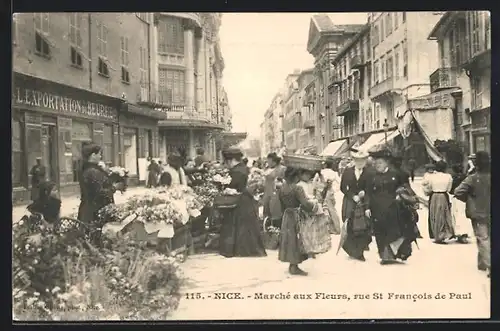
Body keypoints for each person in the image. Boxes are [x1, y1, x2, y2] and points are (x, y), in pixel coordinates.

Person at [367, 148, 419, 265]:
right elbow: (368, 193)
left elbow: (405, 188)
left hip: (393, 209)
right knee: (380, 233)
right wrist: (367, 207)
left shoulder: (395, 174)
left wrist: (402, 196)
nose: (377, 165)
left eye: (380, 163)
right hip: (377, 210)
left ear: (386, 163)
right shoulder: (372, 176)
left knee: (395, 231)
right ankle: (384, 256)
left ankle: (394, 254)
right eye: (376, 163)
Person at [218, 147, 267, 258]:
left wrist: (227, 188)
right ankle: (250, 249)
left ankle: (238, 250)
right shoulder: (245, 169)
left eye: (226, 162)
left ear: (230, 160)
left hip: (238, 201)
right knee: (248, 226)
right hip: (247, 200)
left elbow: (234, 187)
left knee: (235, 225)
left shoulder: (235, 171)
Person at [278, 167, 321, 276]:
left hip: (287, 215)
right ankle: (294, 266)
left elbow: (281, 204)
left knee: (289, 240)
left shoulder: (282, 188)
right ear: (295, 177)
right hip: (297, 215)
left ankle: (292, 264)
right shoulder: (297, 189)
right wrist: (314, 204)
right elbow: (305, 204)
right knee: (297, 240)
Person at [454, 151, 490, 278]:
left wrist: (470, 198)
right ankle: (482, 263)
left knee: (483, 238)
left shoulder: (472, 178)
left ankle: (489, 264)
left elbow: (457, 192)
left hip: (479, 212)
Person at [77, 142, 123, 244]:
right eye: (99, 154)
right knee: (98, 240)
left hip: (89, 209)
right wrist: (114, 188)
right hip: (96, 211)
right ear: (93, 155)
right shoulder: (93, 171)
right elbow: (99, 193)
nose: (100, 156)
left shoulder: (89, 169)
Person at [340, 149, 374, 261]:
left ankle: (360, 251)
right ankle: (352, 249)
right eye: (358, 160)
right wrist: (352, 195)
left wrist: (365, 198)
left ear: (365, 161)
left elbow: (370, 189)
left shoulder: (369, 172)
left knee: (364, 226)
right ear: (354, 160)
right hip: (350, 201)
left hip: (364, 202)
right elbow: (343, 187)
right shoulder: (347, 171)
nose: (360, 163)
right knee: (349, 224)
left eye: (362, 161)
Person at [424, 160, 455, 244]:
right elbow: (449, 189)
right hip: (444, 196)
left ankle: (437, 235)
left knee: (435, 215)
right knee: (444, 215)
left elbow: (428, 187)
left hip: (434, 196)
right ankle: (444, 234)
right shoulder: (448, 176)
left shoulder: (432, 176)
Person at [317, 157, 341, 235]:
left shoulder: (321, 172)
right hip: (330, 192)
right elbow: (339, 183)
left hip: (321, 192)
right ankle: (336, 228)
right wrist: (334, 190)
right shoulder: (334, 173)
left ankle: (326, 228)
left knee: (323, 210)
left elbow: (317, 182)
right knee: (332, 210)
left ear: (325, 164)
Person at [262, 152, 286, 227]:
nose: (268, 163)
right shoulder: (269, 169)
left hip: (277, 194)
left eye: (269, 161)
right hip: (269, 194)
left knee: (277, 214)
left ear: (274, 161)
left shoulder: (282, 169)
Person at [450, 164, 469, 243]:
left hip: (457, 198)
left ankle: (459, 234)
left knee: (456, 216)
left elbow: (451, 190)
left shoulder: (454, 178)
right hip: (465, 199)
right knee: (464, 216)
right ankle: (464, 234)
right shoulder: (466, 177)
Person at [422, 163, 437, 238]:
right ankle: (432, 232)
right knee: (431, 213)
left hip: (434, 193)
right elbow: (424, 184)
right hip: (430, 194)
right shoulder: (426, 175)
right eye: (429, 169)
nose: (431, 170)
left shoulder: (434, 174)